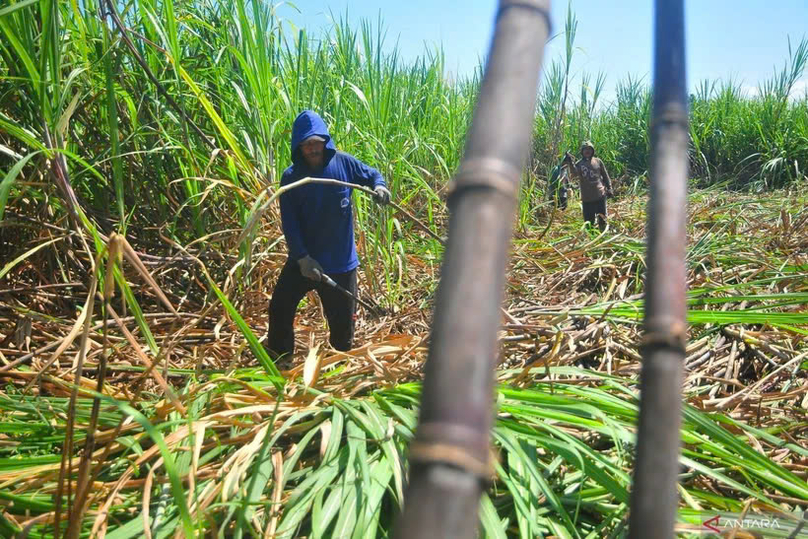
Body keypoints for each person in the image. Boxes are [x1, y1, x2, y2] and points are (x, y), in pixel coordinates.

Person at [267, 110, 391, 361]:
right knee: (280, 307)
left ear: (325, 141)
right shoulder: (291, 178)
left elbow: (372, 175)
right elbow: (289, 223)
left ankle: (338, 367)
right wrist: (302, 258)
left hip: (340, 264)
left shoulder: (344, 163)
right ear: (298, 147)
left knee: (342, 325)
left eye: (316, 142)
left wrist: (379, 186)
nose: (312, 149)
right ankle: (281, 361)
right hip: (305, 261)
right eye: (306, 144)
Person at [566, 141, 613, 231]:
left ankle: (602, 237)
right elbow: (574, 174)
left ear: (592, 151)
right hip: (587, 198)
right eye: (585, 149)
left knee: (602, 220)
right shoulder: (579, 164)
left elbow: (606, 176)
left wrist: (610, 188)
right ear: (582, 151)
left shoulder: (598, 161)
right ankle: (591, 240)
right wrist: (570, 163)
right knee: (588, 222)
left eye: (589, 149)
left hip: (600, 195)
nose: (587, 151)